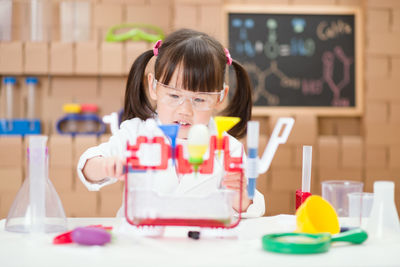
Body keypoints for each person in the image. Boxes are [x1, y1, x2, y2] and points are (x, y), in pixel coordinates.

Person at [77, 29, 265, 218]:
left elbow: (250, 205)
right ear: (153, 87)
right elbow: (87, 167)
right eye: (174, 95)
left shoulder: (227, 148)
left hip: (202, 244)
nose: (185, 110)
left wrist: (241, 197)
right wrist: (105, 166)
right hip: (142, 241)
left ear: (220, 97)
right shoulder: (136, 133)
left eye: (199, 100)